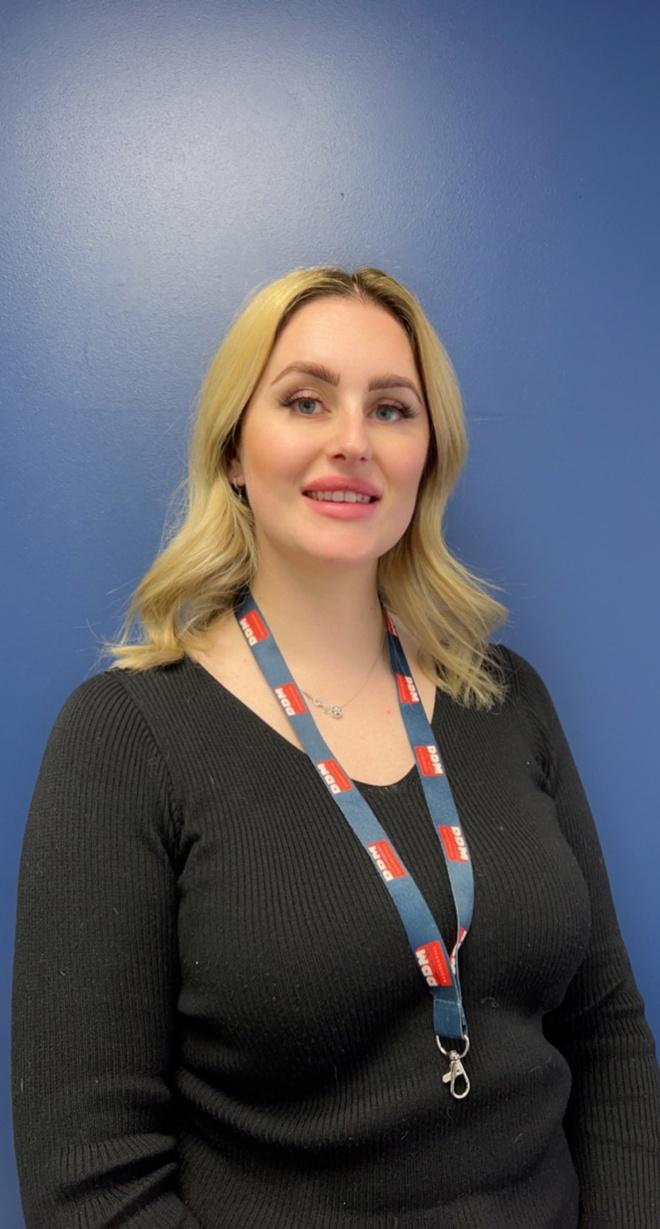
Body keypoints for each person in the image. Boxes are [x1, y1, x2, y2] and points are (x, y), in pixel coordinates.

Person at [11, 265, 659, 1229]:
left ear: (427, 456)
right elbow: (92, 1181)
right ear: (235, 450)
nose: (352, 440)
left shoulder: (506, 697)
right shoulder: (126, 737)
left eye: (391, 409)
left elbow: (608, 1036)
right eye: (305, 401)